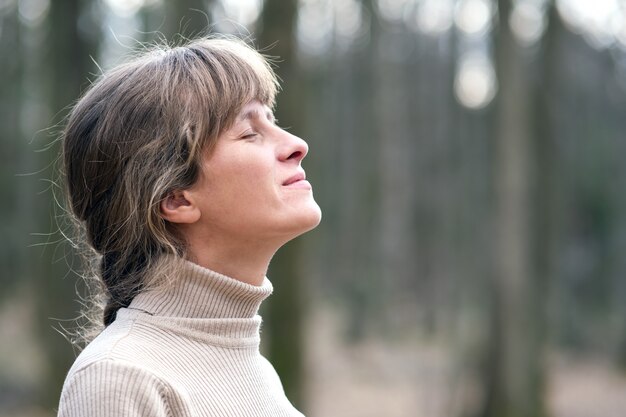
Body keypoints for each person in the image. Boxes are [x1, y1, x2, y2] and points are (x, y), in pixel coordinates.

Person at [56, 36, 322, 417]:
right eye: (249, 133)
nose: (297, 144)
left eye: (273, 120)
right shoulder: (119, 378)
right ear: (177, 199)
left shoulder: (251, 364)